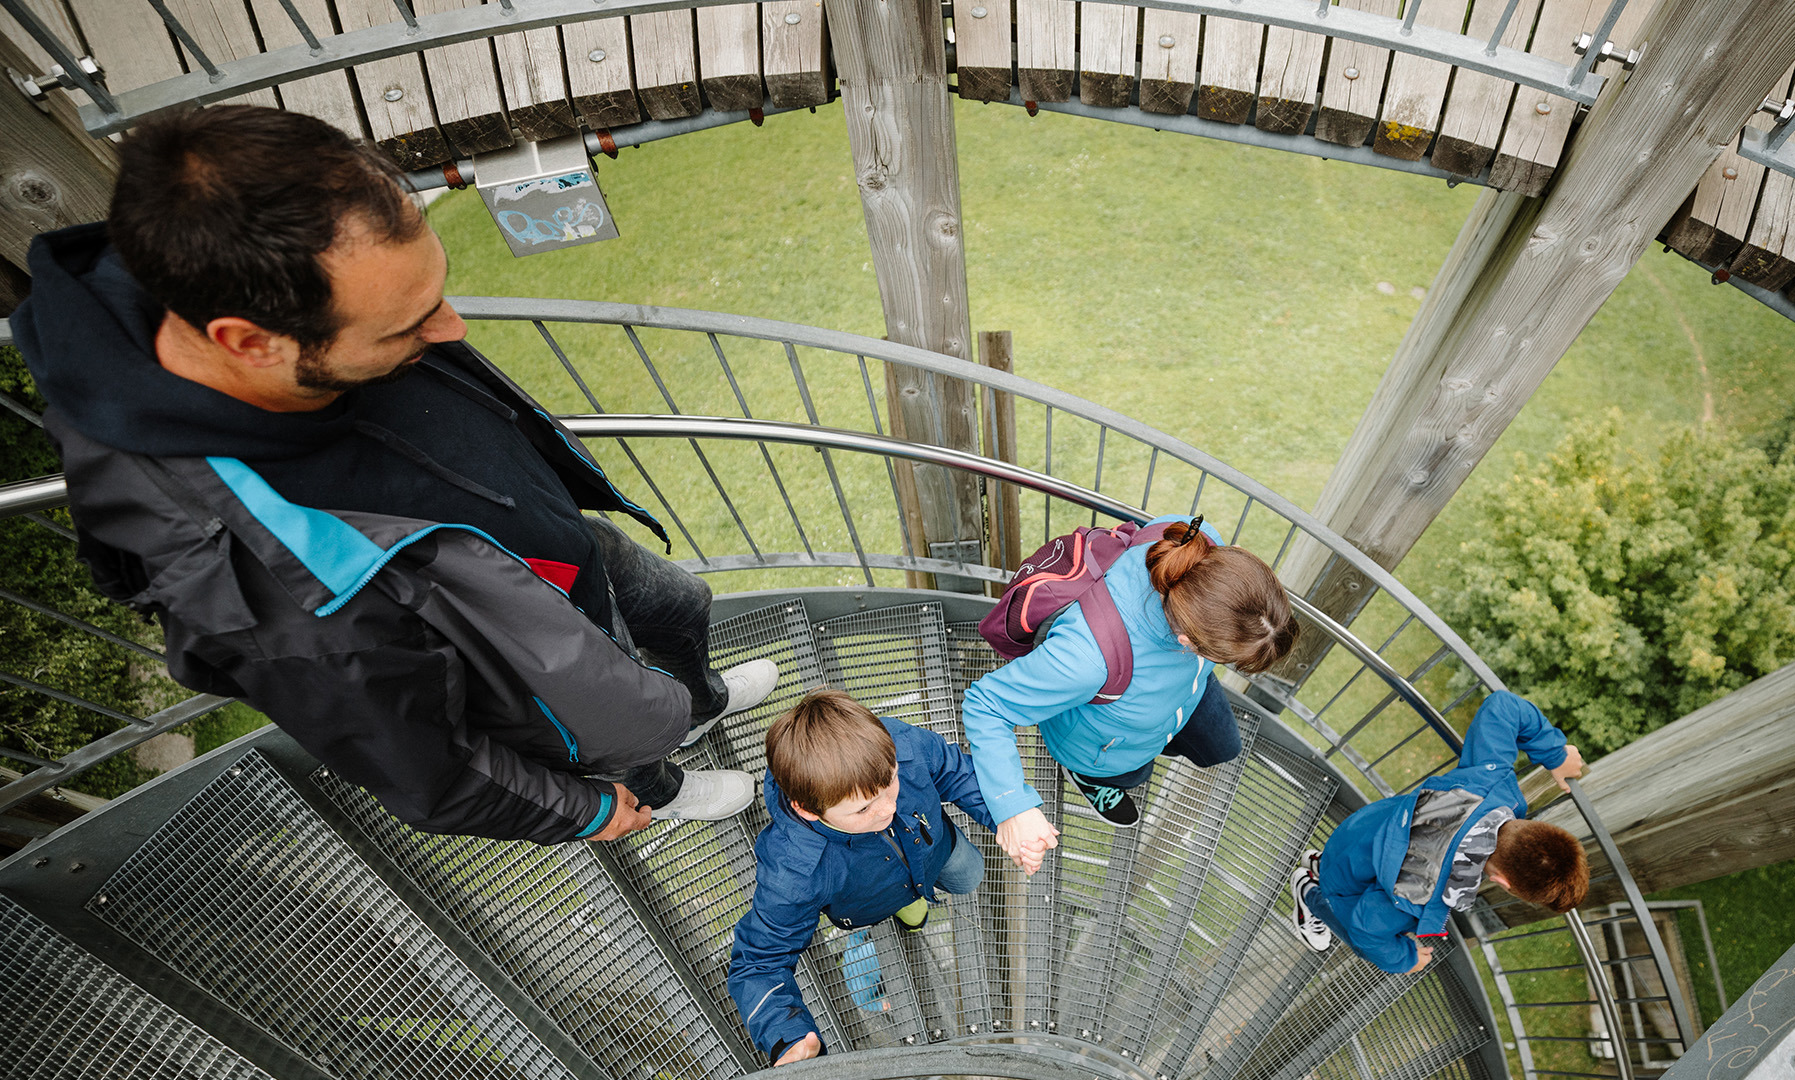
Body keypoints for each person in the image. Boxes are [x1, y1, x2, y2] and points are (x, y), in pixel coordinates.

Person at [6, 105, 777, 844]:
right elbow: (427, 765)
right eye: (409, 325)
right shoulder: (261, 594)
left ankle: (695, 705)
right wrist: (578, 809)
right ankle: (663, 784)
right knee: (621, 728)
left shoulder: (212, 252)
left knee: (681, 606)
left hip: (562, 546)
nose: (451, 330)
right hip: (529, 660)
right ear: (249, 343)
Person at [963, 513, 1299, 873]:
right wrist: (1013, 807)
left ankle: (1158, 736)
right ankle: (1089, 777)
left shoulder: (1196, 542)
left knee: (1223, 749)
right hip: (1101, 746)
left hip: (1185, 694)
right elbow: (987, 705)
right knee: (1135, 775)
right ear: (1187, 642)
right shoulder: (1086, 659)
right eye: (1225, 657)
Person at [727, 688, 995, 1065]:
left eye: (891, 782)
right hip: (867, 900)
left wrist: (1012, 813)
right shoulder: (796, 870)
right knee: (907, 904)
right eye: (864, 808)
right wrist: (784, 1037)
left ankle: (914, 898)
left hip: (933, 851)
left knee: (968, 877)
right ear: (808, 811)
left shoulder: (898, 745)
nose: (888, 808)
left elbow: (955, 771)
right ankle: (905, 906)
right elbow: (759, 961)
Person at [1290, 691, 1589, 974]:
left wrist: (1556, 755)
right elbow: (1365, 930)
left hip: (1357, 835)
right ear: (1501, 881)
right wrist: (1404, 958)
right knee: (1355, 934)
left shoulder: (1487, 781)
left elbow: (1503, 706)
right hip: (1343, 884)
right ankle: (1308, 892)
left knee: (1358, 872)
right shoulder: (1421, 893)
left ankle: (1320, 862)